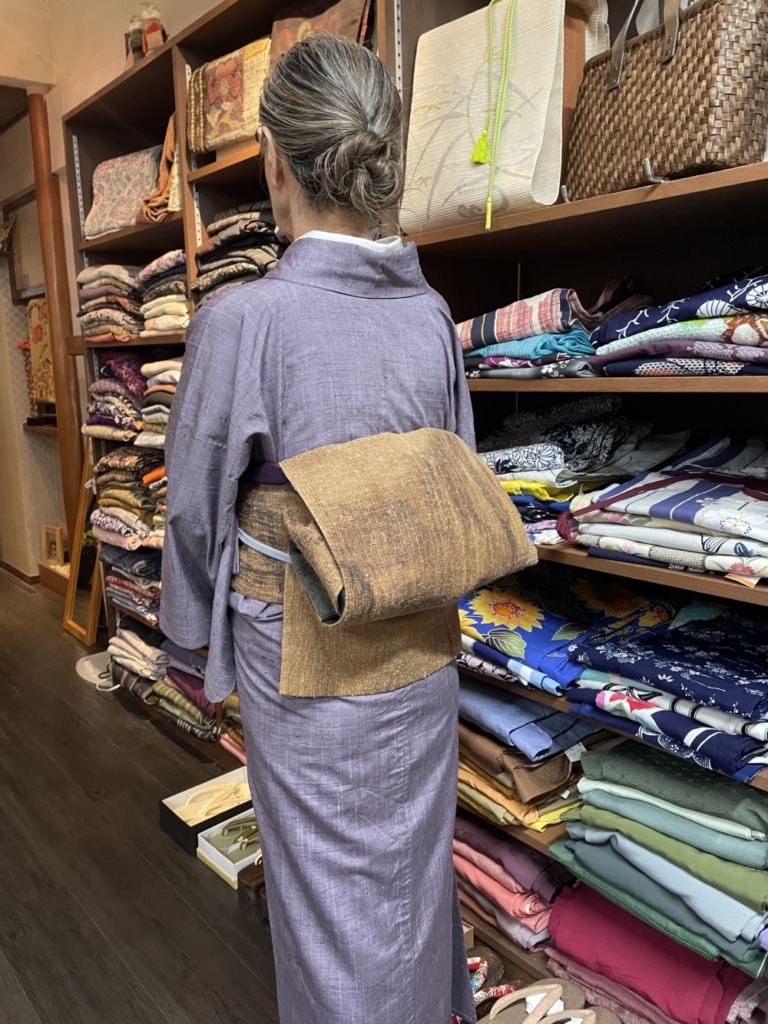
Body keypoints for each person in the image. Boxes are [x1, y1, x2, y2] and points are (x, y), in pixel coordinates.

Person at [162, 35, 477, 1024]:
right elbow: (457, 474)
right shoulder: (430, 316)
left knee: (326, 898)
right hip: (419, 642)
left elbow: (193, 507)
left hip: (303, 652)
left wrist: (187, 643)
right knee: (415, 877)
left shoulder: (243, 321)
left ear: (274, 162)